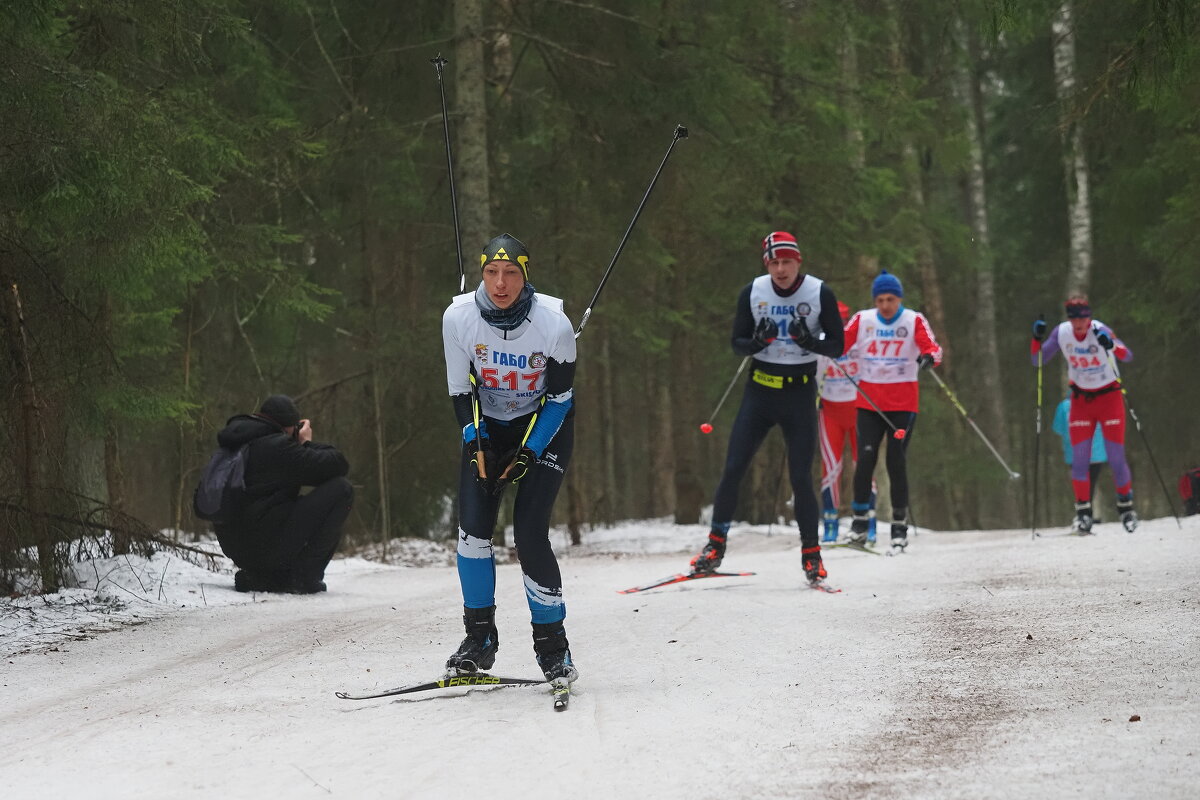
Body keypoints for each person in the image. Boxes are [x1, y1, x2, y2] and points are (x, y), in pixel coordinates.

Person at [441, 233, 579, 685]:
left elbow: (559, 400)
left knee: (529, 534)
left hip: (543, 428)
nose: (501, 284)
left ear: (525, 275)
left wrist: (529, 453)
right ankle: (478, 639)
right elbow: (461, 390)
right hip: (491, 427)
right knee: (472, 534)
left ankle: (553, 647)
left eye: (511, 274)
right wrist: (474, 439)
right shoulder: (458, 317)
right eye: (491, 273)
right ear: (482, 274)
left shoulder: (554, 324)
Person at [690, 231, 845, 586]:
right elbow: (737, 344)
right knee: (733, 468)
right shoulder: (754, 292)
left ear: (797, 261)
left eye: (786, 262)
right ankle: (715, 546)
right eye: (773, 263)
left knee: (801, 476)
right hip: (759, 393)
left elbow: (838, 345)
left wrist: (811, 341)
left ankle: (812, 554)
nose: (780, 269)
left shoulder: (819, 292)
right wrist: (757, 341)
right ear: (766, 265)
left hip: (800, 393)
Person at [841, 271, 943, 553]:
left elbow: (933, 348)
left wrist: (928, 358)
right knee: (865, 460)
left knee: (896, 461)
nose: (885, 305)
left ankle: (899, 527)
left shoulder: (913, 320)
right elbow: (839, 342)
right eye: (880, 299)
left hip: (903, 403)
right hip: (869, 402)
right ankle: (859, 524)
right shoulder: (863, 319)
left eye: (891, 299)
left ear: (899, 298)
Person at [213, 394, 353, 593]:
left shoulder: (234, 443)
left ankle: (261, 576)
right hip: (265, 545)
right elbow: (338, 465)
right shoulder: (278, 447)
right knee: (342, 490)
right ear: (289, 426)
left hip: (237, 548)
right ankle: (304, 577)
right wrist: (305, 443)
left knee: (271, 510)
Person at [1031, 296, 1137, 532]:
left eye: (1084, 318)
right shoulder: (1062, 333)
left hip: (1109, 398)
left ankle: (1126, 507)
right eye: (1075, 319)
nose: (1080, 324)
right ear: (1069, 319)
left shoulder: (1100, 329)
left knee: (1115, 456)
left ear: (1089, 317)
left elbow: (1127, 355)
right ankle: (1083, 513)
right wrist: (1036, 339)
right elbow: (1037, 361)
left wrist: (1110, 344)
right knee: (1079, 460)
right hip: (1081, 401)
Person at [816, 302, 876, 543]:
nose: (838, 326)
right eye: (834, 320)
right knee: (830, 469)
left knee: (864, 466)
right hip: (830, 409)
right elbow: (813, 372)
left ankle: (868, 523)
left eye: (842, 321)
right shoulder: (820, 340)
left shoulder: (859, 339)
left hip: (860, 409)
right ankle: (830, 523)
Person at [1052, 393, 1108, 524]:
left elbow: (1058, 428)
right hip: (1096, 452)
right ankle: (1087, 514)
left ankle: (1084, 514)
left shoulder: (1064, 407)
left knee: (1080, 483)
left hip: (1075, 452)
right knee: (1091, 483)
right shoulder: (1098, 401)